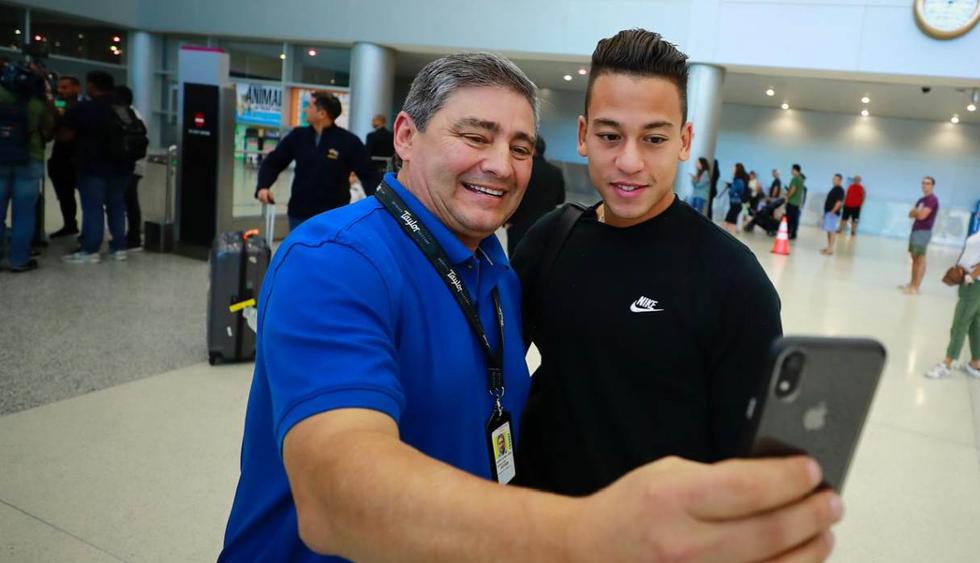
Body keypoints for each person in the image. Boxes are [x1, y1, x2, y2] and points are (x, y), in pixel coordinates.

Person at [220, 51, 840, 563]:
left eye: (520, 147)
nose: (500, 165)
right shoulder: (335, 261)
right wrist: (589, 533)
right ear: (405, 136)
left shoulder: (493, 265)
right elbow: (335, 498)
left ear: (683, 142)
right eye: (474, 136)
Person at [513, 26, 788, 508]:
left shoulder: (733, 281)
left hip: (657, 535)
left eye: (654, 138)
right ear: (583, 135)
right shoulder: (551, 240)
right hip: (540, 521)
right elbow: (489, 372)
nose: (629, 161)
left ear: (684, 141)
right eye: (609, 135)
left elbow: (744, 457)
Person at [255, 91, 381, 231]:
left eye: (309, 106)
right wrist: (263, 186)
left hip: (334, 218)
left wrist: (378, 205)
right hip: (299, 215)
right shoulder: (298, 136)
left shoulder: (348, 141)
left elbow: (369, 174)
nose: (305, 110)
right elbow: (274, 162)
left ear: (322, 114)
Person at [59, 71, 132, 263]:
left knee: (93, 208)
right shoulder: (122, 109)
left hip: (93, 167)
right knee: (117, 206)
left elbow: (66, 136)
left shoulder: (84, 108)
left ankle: (90, 249)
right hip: (121, 167)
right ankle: (119, 248)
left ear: (91, 86)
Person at [0, 61, 54, 273]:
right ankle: (19, 260)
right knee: (24, 214)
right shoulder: (36, 103)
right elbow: (49, 131)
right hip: (30, 160)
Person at [925, 231, 980, 379]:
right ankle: (976, 364)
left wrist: (971, 276)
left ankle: (947, 364)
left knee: (960, 323)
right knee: (975, 323)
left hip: (974, 284)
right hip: (972, 281)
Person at [505, 135, 565, 254]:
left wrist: (507, 219)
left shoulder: (521, 171)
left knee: (516, 259)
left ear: (533, 150)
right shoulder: (555, 172)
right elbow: (561, 199)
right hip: (546, 226)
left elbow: (510, 197)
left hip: (519, 226)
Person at [114, 85, 147, 250]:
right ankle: (132, 235)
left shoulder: (127, 116)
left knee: (129, 201)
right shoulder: (134, 114)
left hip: (130, 164)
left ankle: (133, 236)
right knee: (129, 200)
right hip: (134, 163)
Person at [48, 75, 81, 238]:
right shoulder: (58, 104)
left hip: (78, 157)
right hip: (61, 157)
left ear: (76, 88)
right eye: (59, 87)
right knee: (65, 195)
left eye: (65, 87)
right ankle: (69, 224)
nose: (60, 91)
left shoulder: (82, 107)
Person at [900, 176, 940, 295]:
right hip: (916, 230)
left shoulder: (932, 200)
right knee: (914, 258)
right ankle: (912, 283)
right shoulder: (922, 200)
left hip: (923, 231)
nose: (924, 185)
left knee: (919, 259)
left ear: (932, 186)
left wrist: (916, 212)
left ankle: (916, 287)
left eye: (927, 183)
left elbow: (922, 216)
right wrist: (916, 212)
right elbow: (910, 214)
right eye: (923, 183)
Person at [820, 173, 845, 255]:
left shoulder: (840, 190)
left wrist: (833, 211)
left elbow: (839, 202)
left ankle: (830, 249)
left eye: (835, 179)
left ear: (840, 181)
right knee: (829, 230)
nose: (833, 180)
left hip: (832, 213)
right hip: (828, 212)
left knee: (832, 231)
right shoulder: (834, 188)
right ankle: (828, 247)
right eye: (833, 179)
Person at [720, 162, 748, 234]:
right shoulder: (738, 180)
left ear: (738, 170)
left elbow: (733, 191)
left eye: (734, 169)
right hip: (735, 204)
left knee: (730, 222)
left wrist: (731, 187)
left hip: (736, 205)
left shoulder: (739, 181)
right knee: (729, 221)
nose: (732, 170)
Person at [786, 163, 805, 240]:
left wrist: (787, 197)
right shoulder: (801, 179)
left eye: (792, 169)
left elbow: (793, 190)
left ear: (795, 170)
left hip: (792, 202)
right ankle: (793, 234)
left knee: (789, 219)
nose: (791, 171)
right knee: (794, 220)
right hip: (797, 203)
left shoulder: (795, 179)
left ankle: (788, 234)